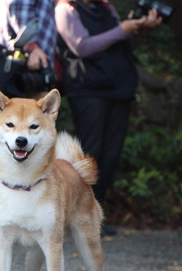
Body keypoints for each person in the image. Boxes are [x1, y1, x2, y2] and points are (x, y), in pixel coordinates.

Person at [55, 0, 162, 233]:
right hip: (88, 89)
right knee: (90, 152)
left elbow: (123, 43)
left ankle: (93, 218)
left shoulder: (106, 8)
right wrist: (123, 28)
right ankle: (76, 217)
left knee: (111, 154)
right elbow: (81, 46)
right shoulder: (66, 8)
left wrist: (140, 28)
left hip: (119, 88)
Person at [0, 0, 59, 240]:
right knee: (10, 150)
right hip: (22, 69)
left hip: (31, 69)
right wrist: (32, 48)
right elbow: (15, 8)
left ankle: (30, 219)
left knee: (23, 152)